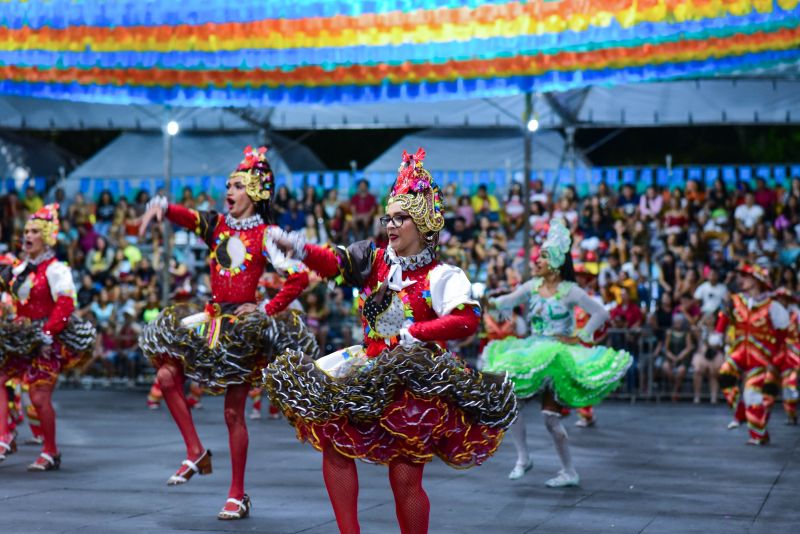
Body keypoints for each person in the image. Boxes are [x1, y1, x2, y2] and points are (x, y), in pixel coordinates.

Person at [265, 148, 517, 534]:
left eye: (402, 218)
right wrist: (300, 249)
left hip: (414, 383)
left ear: (424, 225)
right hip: (366, 368)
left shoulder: (444, 275)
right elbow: (335, 263)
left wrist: (416, 331)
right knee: (333, 442)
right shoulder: (374, 259)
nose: (391, 226)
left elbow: (467, 320)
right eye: (390, 217)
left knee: (404, 477)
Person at [137, 146, 318, 519]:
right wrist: (163, 208)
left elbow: (298, 277)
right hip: (211, 319)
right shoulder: (217, 225)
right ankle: (195, 451)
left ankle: (237, 493)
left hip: (242, 329)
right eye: (228, 185)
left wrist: (266, 309)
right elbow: (186, 217)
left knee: (233, 414)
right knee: (166, 376)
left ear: (254, 192)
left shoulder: (267, 234)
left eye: (236, 185)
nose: (228, 192)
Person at [482, 219, 632, 487]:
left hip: (557, 354)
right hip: (532, 350)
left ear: (556, 263)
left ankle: (569, 471)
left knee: (551, 419)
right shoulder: (532, 286)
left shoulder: (570, 291)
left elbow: (601, 313)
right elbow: (506, 302)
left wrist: (580, 336)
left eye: (543, 257)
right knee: (511, 403)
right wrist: (486, 302)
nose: (537, 260)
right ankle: (523, 458)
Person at [0, 204, 96, 469]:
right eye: (26, 231)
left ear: (46, 236)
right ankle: (5, 435)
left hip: (47, 341)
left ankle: (50, 450)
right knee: (1, 379)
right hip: (20, 339)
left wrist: (46, 334)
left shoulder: (57, 269)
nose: (27, 236)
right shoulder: (18, 269)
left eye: (34, 231)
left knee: (39, 397)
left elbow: (65, 304)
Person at [714, 264, 789, 445]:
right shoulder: (736, 300)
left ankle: (759, 435)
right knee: (725, 373)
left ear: (757, 281)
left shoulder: (772, 305)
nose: (742, 280)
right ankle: (741, 411)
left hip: (760, 358)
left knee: (752, 395)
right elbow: (724, 317)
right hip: (739, 351)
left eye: (746, 277)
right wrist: (717, 335)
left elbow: (783, 329)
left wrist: (774, 353)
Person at [772, 288, 800, 425]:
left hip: (794, 354)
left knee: (790, 382)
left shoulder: (796, 315)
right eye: (778, 298)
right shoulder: (772, 315)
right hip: (777, 354)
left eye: (783, 298)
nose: (781, 301)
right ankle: (790, 413)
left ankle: (791, 412)